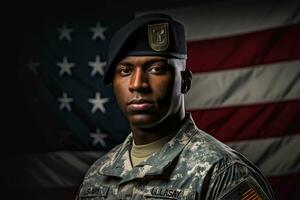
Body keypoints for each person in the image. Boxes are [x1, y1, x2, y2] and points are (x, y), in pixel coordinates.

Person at [76, 13, 275, 199]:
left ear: (185, 82)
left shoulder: (223, 173)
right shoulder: (98, 173)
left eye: (156, 69)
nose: (137, 84)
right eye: (125, 70)